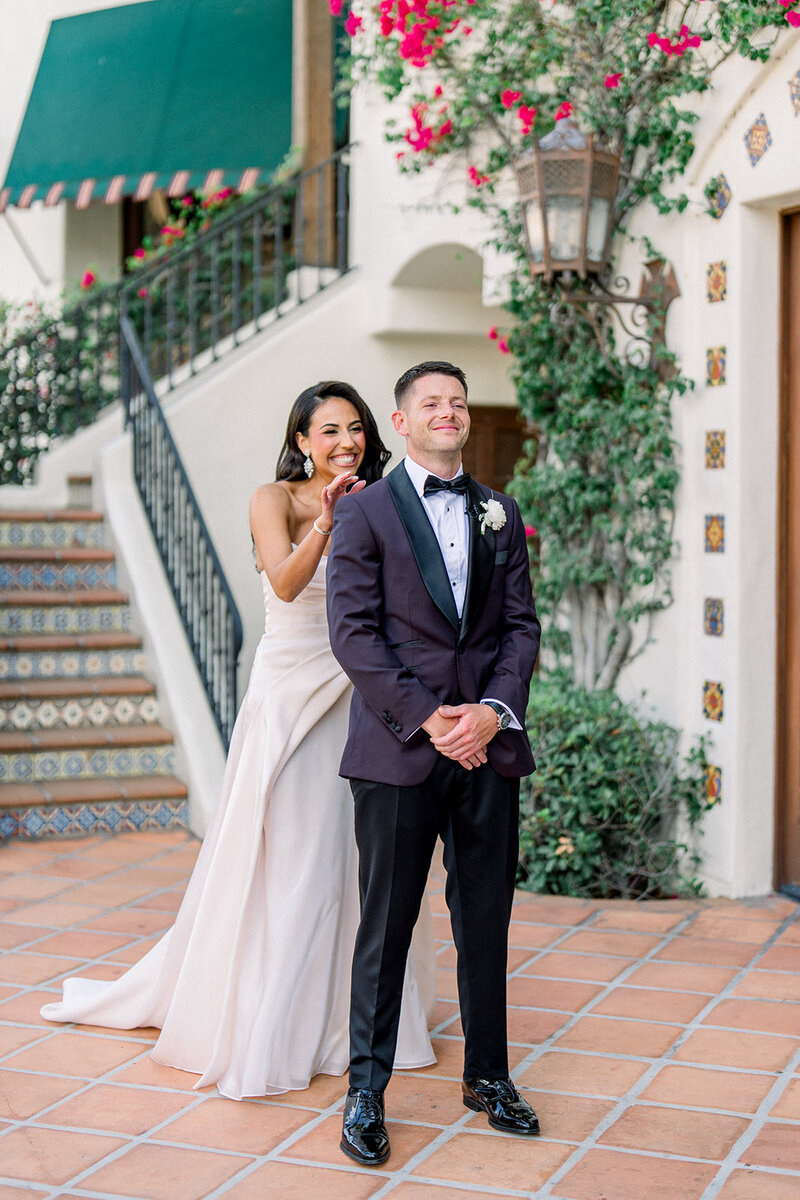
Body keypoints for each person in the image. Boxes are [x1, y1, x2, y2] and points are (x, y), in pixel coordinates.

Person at [40, 381, 435, 1100]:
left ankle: (359, 1020)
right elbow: (284, 585)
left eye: (355, 429)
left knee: (355, 858)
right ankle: (274, 1018)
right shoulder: (273, 498)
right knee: (294, 857)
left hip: (361, 689)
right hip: (292, 692)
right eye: (328, 431)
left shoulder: (385, 501)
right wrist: (327, 519)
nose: (344, 441)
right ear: (302, 441)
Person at [326, 361, 541, 1166]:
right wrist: (429, 717)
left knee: (485, 919)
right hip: (397, 752)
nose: (447, 412)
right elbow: (354, 632)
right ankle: (365, 1093)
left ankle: (489, 1077)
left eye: (457, 401)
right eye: (431, 403)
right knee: (386, 925)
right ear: (403, 420)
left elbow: (520, 627)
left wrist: (489, 712)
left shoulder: (500, 511)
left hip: (488, 747)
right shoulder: (366, 511)